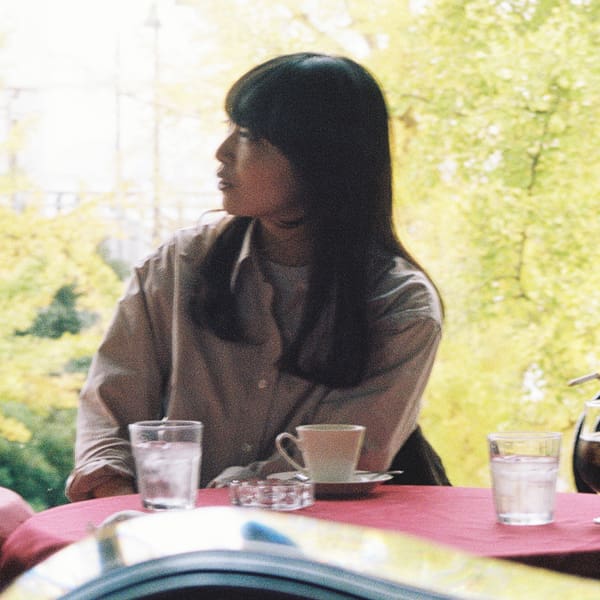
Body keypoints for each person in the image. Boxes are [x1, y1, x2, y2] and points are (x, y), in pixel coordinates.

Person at [66, 52, 446, 501]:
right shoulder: (178, 266)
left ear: (321, 158)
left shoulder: (399, 304)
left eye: (249, 136)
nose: (222, 152)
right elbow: (108, 419)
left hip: (324, 538)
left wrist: (221, 503)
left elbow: (342, 463)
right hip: (177, 535)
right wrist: (124, 504)